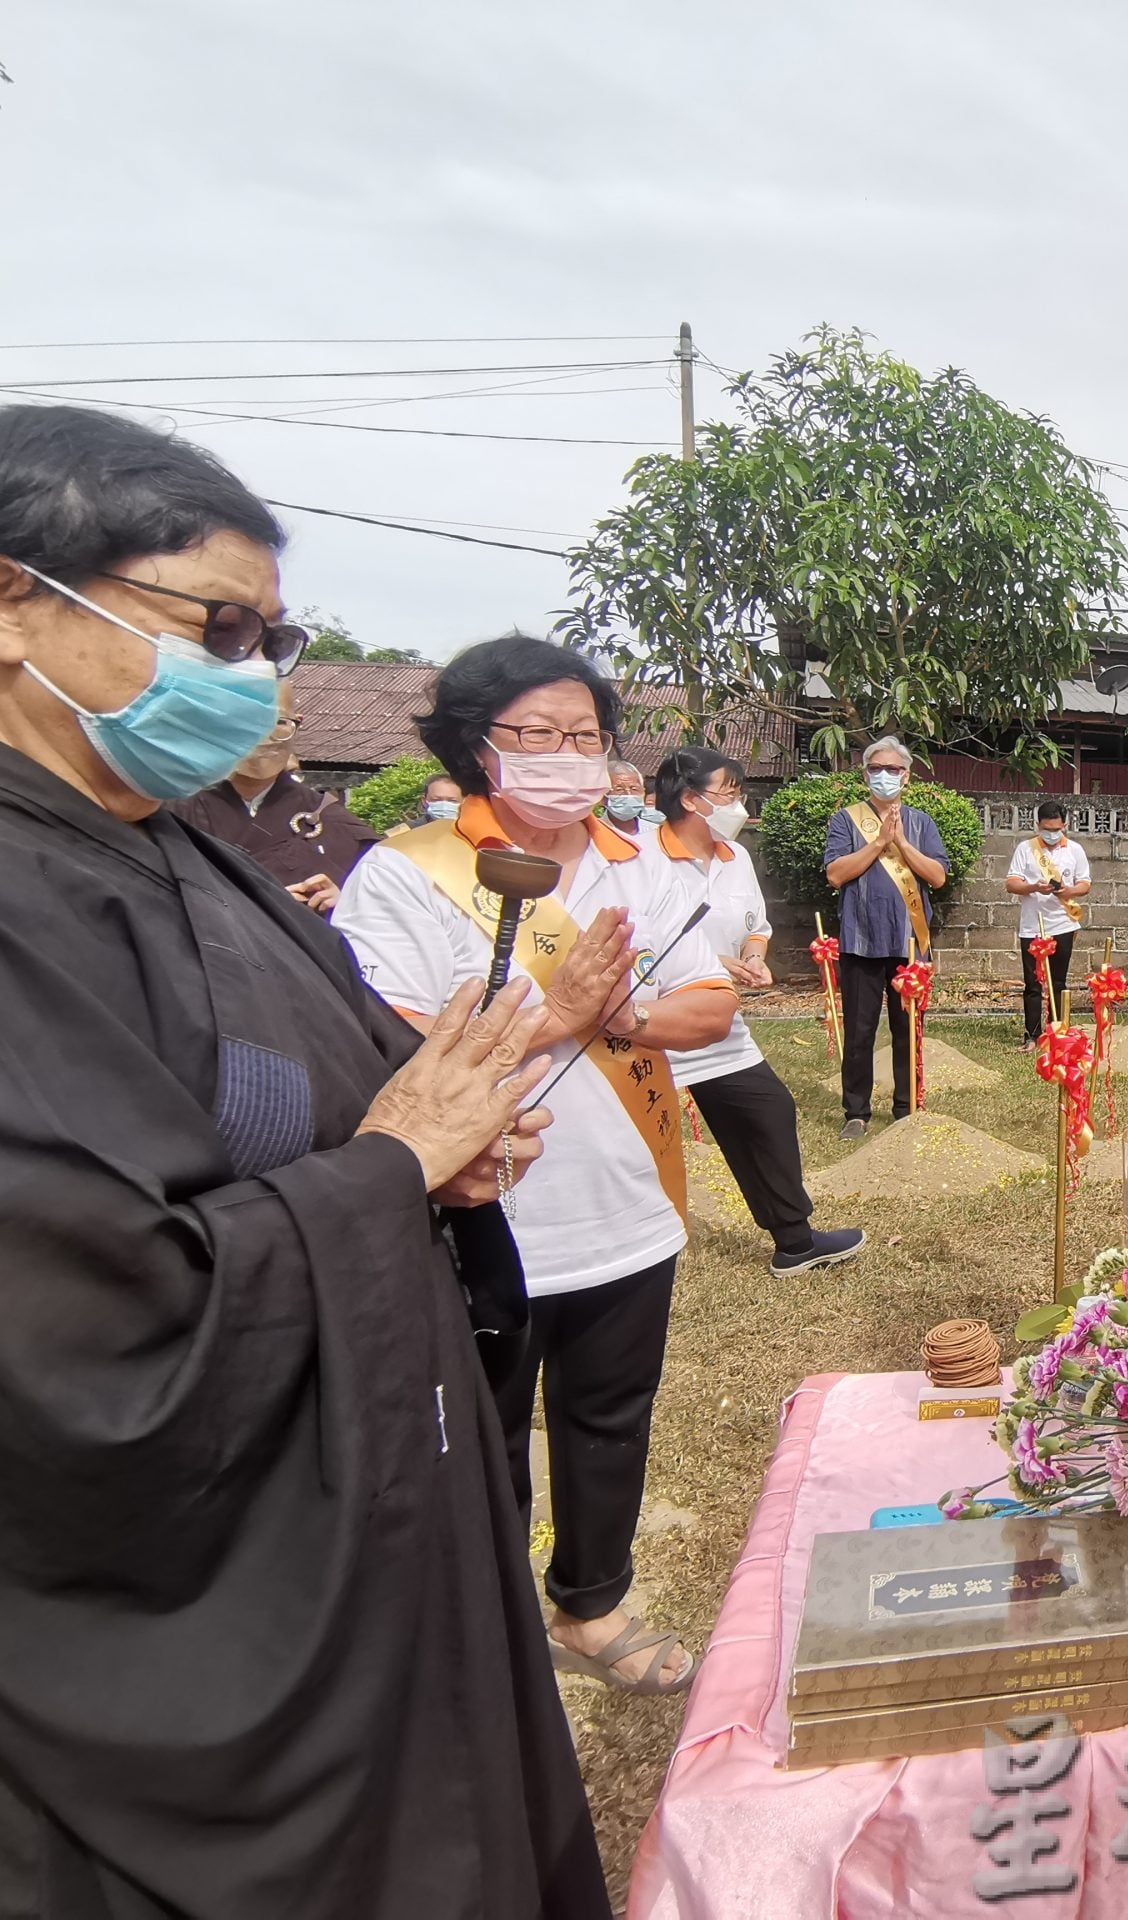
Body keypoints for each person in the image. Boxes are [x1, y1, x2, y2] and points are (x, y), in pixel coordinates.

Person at [0, 406, 607, 1915]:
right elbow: (92, 1336)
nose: (251, 678)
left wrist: (439, 1156)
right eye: (215, 625)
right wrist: (389, 1168)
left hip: (384, 1468)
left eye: (271, 638)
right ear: (17, 600)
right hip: (209, 1613)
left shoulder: (176, 837)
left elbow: (335, 1098)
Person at [336, 634, 738, 1697]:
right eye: (539, 735)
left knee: (612, 1417)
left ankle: (591, 1605)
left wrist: (631, 1013)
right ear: (478, 744)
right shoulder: (410, 874)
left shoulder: (635, 862)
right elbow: (404, 1057)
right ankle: (493, 1628)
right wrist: (559, 1018)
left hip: (629, 1201)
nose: (570, 757)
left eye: (587, 737)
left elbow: (708, 1003)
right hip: (482, 1211)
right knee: (482, 1431)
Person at [655, 745, 865, 1277]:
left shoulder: (735, 857)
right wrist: (717, 961)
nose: (739, 803)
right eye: (729, 792)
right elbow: (645, 937)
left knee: (766, 1109)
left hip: (715, 1017)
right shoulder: (643, 858)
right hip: (650, 1022)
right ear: (690, 799)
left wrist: (751, 956)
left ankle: (794, 1241)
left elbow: (756, 922)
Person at [823, 736, 948, 1137]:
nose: (884, 776)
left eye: (892, 770)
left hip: (909, 944)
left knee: (907, 1030)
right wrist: (878, 842)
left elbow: (938, 876)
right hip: (861, 942)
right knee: (859, 1032)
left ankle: (906, 1107)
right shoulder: (846, 819)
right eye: (876, 769)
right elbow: (836, 874)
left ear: (906, 776)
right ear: (865, 774)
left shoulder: (920, 822)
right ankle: (855, 1112)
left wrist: (902, 844)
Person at [172, 676, 378, 912]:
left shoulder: (335, 822)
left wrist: (345, 904)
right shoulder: (171, 813)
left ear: (297, 724)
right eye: (244, 722)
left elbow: (380, 916)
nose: (264, 736)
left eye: (278, 722)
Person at [1006, 798, 1091, 1042]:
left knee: (1058, 981)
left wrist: (1067, 891)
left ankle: (1057, 1032)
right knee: (1032, 983)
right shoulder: (1026, 849)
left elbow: (1085, 884)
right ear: (1038, 825)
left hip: (1064, 924)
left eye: (1056, 829)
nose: (1051, 834)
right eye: (1046, 829)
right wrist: (1033, 887)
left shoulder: (1075, 850)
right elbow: (1011, 883)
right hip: (1032, 926)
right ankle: (1032, 1035)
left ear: (1064, 825)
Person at [601, 756, 655, 836]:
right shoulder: (591, 834)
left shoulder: (655, 832)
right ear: (603, 797)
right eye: (619, 789)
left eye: (634, 789)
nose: (628, 795)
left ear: (643, 792)